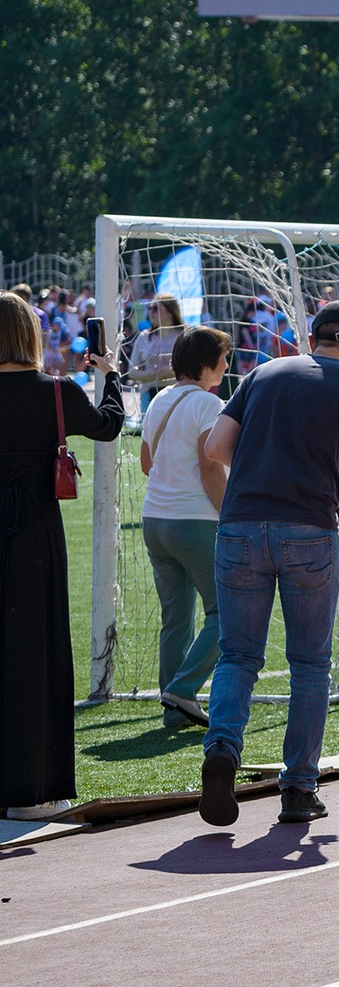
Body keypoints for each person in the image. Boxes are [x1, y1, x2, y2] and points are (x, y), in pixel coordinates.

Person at [196, 300, 339, 827]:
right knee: (309, 664)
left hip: (240, 522)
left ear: (312, 338)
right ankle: (299, 787)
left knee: (238, 655)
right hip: (309, 527)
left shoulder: (263, 372)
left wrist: (264, 467)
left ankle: (222, 748)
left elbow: (216, 446)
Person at [2, 293, 126, 817]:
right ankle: (30, 790)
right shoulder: (56, 391)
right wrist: (108, 373)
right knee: (36, 651)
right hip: (34, 537)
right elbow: (109, 424)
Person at [137, 326, 234, 730]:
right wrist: (230, 513)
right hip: (195, 522)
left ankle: (175, 706)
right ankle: (182, 690)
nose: (226, 365)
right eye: (223, 358)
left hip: (155, 520)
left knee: (175, 618)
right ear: (206, 362)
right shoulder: (208, 404)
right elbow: (210, 465)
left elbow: (146, 462)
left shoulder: (160, 398)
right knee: (227, 614)